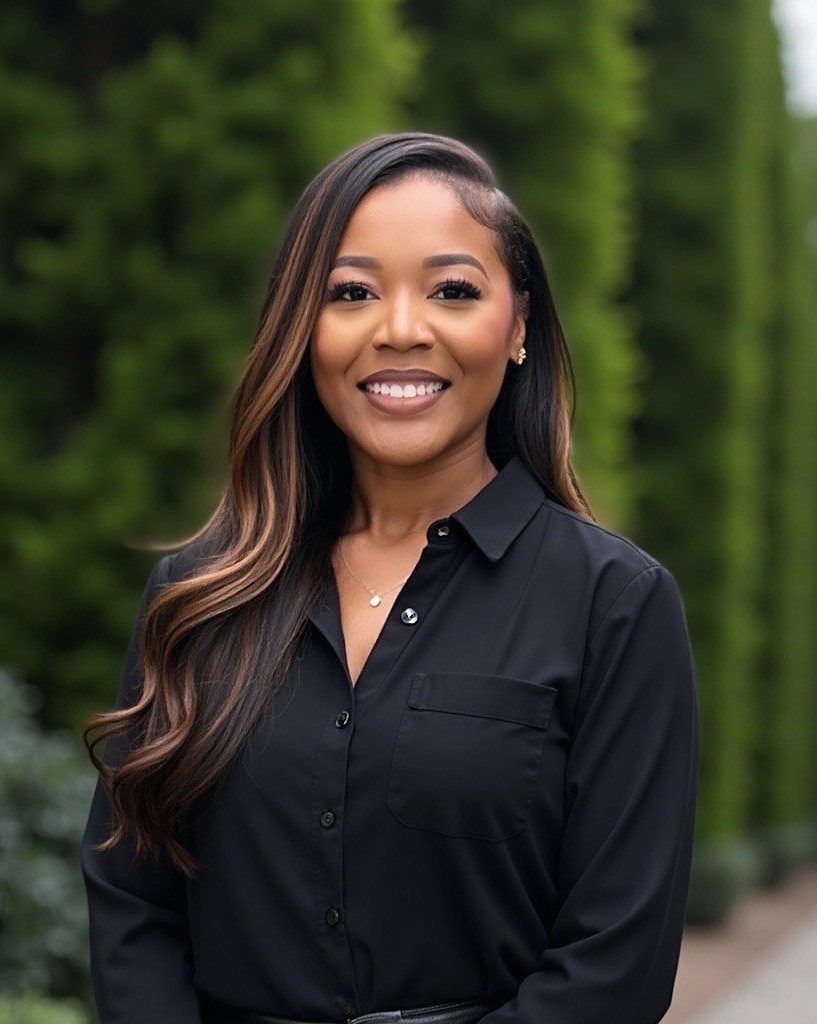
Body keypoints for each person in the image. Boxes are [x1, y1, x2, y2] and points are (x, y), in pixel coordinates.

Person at [80, 131, 700, 1024]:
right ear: (305, 329)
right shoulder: (200, 596)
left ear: (517, 324)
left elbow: (616, 961)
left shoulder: (615, 604)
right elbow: (132, 903)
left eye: (452, 290)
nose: (400, 330)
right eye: (351, 293)